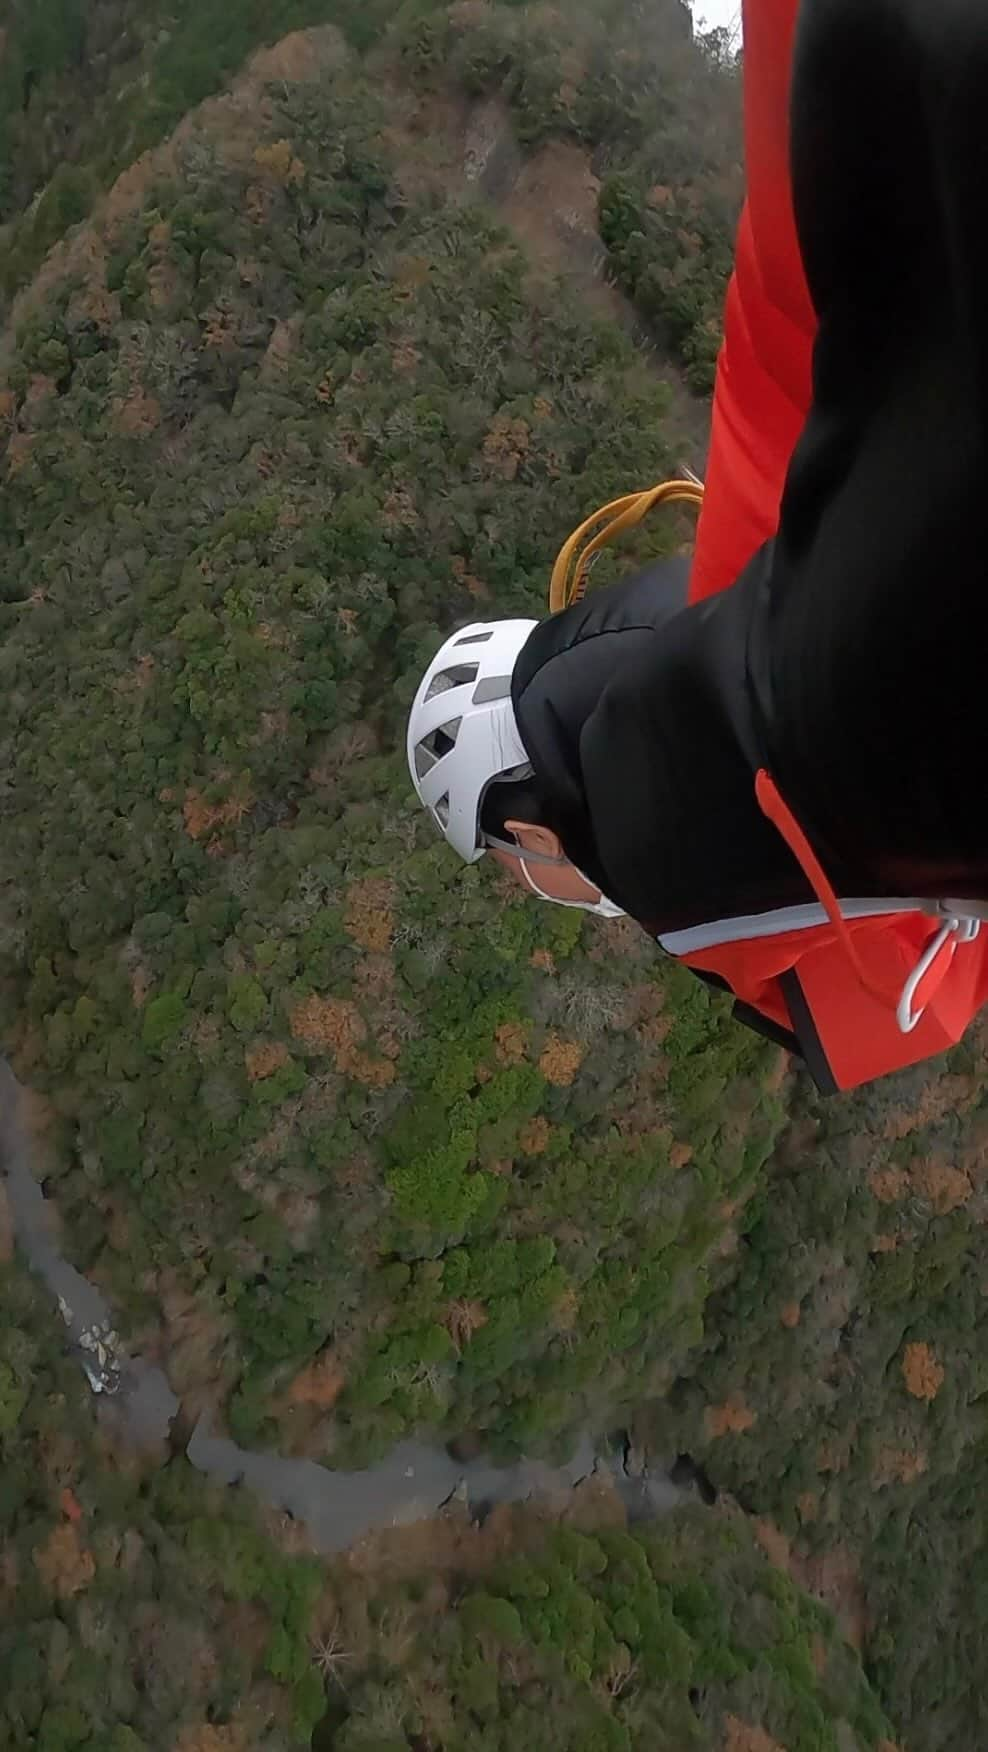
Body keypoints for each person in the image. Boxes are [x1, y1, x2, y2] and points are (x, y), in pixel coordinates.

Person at [407, 0, 988, 1093]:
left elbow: (896, 1012)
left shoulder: (672, 823)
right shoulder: (748, 547)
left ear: (533, 828)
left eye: (524, 868)